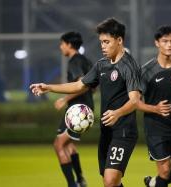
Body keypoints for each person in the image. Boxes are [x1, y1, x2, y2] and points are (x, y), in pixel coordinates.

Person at [30, 18, 141, 187]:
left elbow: (134, 100)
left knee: (110, 181)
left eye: (106, 42)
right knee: (109, 181)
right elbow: (78, 85)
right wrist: (49, 87)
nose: (103, 46)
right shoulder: (101, 65)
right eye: (101, 42)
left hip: (124, 131)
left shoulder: (129, 66)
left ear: (119, 40)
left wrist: (118, 112)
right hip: (107, 132)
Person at [137, 25, 171, 187]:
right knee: (165, 171)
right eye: (165, 41)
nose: (169, 45)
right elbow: (135, 102)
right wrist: (155, 108)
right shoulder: (146, 71)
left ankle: (153, 183)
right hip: (155, 128)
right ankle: (157, 182)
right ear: (157, 43)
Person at [53, 31, 94, 187]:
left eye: (62, 44)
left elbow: (81, 85)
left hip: (78, 111)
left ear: (69, 45)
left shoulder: (74, 61)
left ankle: (73, 184)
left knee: (58, 144)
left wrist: (65, 98)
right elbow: (93, 86)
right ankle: (80, 180)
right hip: (83, 108)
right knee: (68, 144)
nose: (61, 47)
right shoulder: (86, 61)